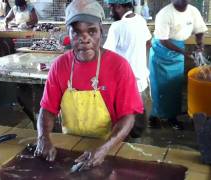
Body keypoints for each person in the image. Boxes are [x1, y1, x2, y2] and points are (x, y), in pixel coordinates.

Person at [34, 0, 143, 169]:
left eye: (91, 31)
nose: (85, 39)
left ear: (102, 31)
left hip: (109, 146)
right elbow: (47, 109)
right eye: (77, 33)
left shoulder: (119, 66)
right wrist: (43, 138)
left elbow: (128, 117)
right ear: (68, 35)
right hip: (71, 144)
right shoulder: (60, 65)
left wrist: (104, 148)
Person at [148, 0, 207, 130]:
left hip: (178, 49)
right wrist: (183, 52)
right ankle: (154, 116)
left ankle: (171, 116)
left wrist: (200, 45)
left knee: (174, 86)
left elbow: (200, 30)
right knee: (160, 86)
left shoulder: (193, 11)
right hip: (161, 51)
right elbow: (163, 40)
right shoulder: (165, 14)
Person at [103, 0, 151, 138]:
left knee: (126, 118)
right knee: (138, 113)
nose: (110, 12)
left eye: (111, 8)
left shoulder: (117, 26)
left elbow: (107, 54)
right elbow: (148, 42)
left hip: (126, 81)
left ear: (118, 7)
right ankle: (136, 141)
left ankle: (125, 145)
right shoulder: (140, 20)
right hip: (141, 77)